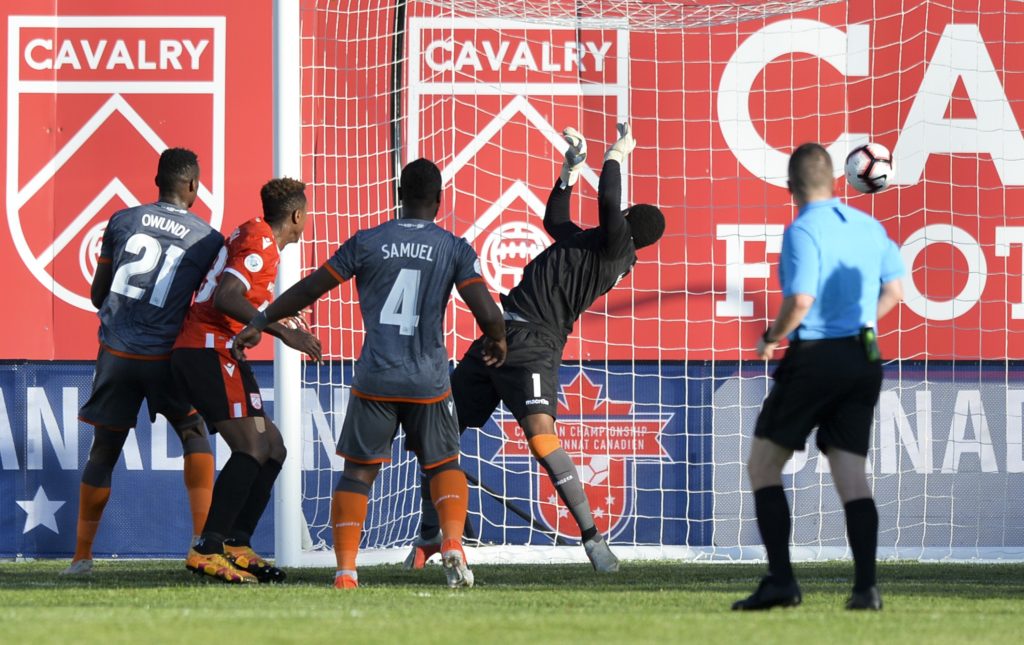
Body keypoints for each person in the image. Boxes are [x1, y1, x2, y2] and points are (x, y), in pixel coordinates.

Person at [234, 158, 507, 589]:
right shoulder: (453, 247)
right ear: (439, 200)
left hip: (376, 378)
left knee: (358, 475)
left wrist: (260, 321)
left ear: (399, 196)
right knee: (443, 465)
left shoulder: (367, 241)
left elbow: (309, 289)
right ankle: (452, 543)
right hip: (429, 382)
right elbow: (488, 313)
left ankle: (345, 571)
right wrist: (498, 339)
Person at [406, 123, 666, 573]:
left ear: (628, 225)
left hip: (534, 344)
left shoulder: (617, 250)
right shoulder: (593, 245)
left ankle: (593, 541)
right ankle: (432, 536)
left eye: (622, 215)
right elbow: (554, 221)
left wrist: (616, 154)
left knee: (542, 437)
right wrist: (569, 171)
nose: (616, 215)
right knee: (440, 429)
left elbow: (608, 203)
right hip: (498, 332)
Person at [731, 143, 904, 611]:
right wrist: (859, 320)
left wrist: (771, 335)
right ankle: (866, 589)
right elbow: (895, 289)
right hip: (863, 359)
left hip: (815, 359)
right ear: (836, 182)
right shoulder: (870, 227)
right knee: (851, 475)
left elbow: (801, 300)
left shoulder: (802, 230)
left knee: (763, 466)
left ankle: (782, 581)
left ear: (792, 188)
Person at [64, 148, 225, 575]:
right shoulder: (208, 238)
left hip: (117, 355)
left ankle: (81, 557)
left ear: (157, 180)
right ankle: (202, 543)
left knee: (104, 450)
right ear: (192, 185)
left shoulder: (122, 220)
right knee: (193, 432)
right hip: (165, 357)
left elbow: (98, 296)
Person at [172, 178, 321, 583]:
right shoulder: (259, 239)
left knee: (272, 448)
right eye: (306, 212)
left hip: (222, 350)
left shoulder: (253, 233)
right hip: (205, 350)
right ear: (296, 216)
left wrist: (259, 322)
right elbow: (225, 296)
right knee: (252, 446)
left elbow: (233, 300)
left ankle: (236, 543)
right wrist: (277, 328)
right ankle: (207, 547)